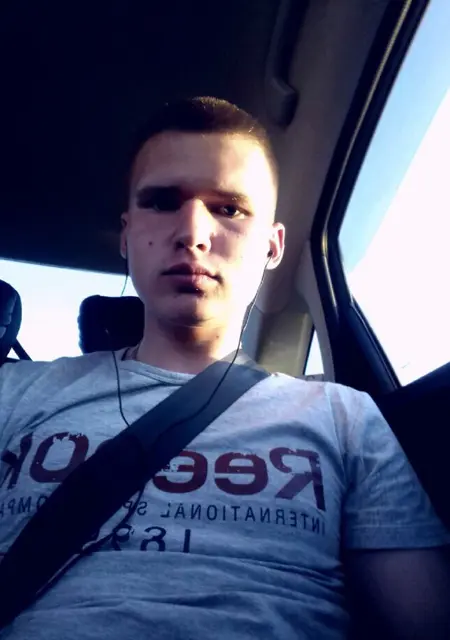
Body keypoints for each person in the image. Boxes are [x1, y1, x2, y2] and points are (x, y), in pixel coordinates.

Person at [0, 96, 449, 640]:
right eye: (162, 201)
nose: (192, 232)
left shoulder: (346, 418)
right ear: (126, 234)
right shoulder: (15, 392)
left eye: (230, 209)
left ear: (272, 246)